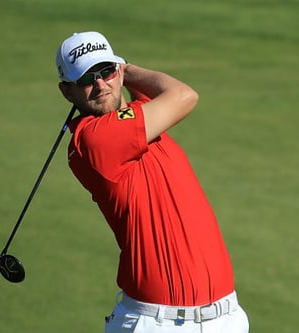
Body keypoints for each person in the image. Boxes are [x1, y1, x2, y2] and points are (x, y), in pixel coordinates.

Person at [55, 31, 249, 333]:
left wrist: (120, 70)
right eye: (87, 79)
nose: (101, 85)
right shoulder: (93, 141)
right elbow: (184, 95)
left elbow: (161, 95)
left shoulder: (138, 117)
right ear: (67, 91)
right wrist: (127, 69)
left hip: (225, 318)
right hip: (159, 323)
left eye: (106, 71)